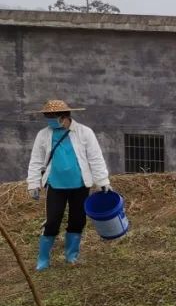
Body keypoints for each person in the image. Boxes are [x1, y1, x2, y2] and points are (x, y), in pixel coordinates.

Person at [25, 99, 112, 270]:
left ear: (64, 117)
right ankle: (43, 259)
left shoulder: (84, 132)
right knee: (52, 221)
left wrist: (103, 181)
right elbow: (35, 161)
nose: (49, 120)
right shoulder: (43, 135)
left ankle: (71, 255)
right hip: (56, 185)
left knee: (77, 220)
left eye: (53, 117)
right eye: (47, 116)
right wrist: (33, 183)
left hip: (79, 185)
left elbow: (95, 158)